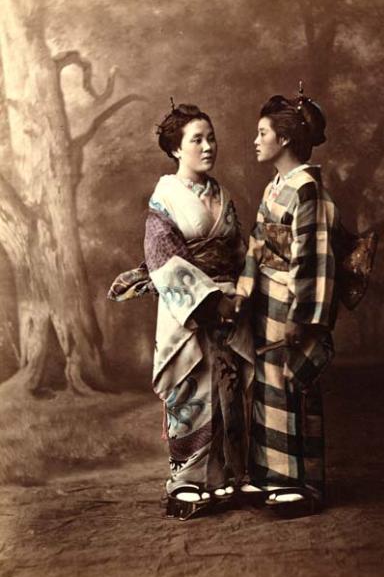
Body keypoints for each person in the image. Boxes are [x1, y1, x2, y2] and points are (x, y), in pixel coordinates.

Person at [111, 102, 253, 520]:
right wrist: (214, 303)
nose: (208, 147)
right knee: (191, 388)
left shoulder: (222, 196)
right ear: (176, 149)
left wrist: (242, 290)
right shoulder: (165, 199)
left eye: (211, 138)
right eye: (197, 140)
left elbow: (240, 249)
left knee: (231, 388)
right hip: (189, 310)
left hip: (230, 303)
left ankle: (231, 473)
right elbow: (164, 260)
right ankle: (187, 481)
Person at [235, 86, 337, 513]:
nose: (256, 140)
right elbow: (258, 244)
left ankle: (300, 482)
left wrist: (304, 316)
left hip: (292, 299)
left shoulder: (307, 188)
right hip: (266, 298)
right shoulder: (275, 186)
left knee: (290, 382)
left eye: (263, 133)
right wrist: (244, 288)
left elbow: (312, 254)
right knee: (265, 385)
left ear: (286, 140)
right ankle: (267, 474)